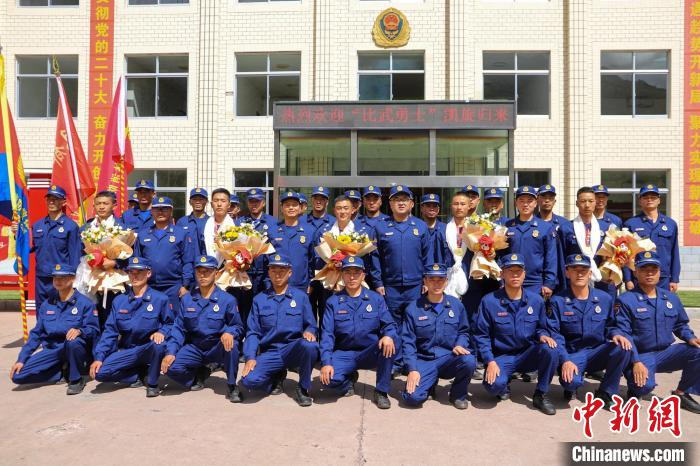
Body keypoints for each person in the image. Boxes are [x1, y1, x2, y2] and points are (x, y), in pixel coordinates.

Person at [611, 251, 700, 413]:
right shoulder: (625, 300)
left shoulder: (670, 298)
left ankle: (681, 393)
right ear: (636, 272)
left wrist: (690, 337)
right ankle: (634, 387)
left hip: (666, 353)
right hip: (640, 355)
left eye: (654, 269)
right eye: (644, 269)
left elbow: (680, 324)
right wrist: (636, 362)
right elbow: (624, 334)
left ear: (660, 272)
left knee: (698, 351)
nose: (649, 273)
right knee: (644, 387)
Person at [474, 254, 559, 415]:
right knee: (493, 386)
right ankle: (503, 383)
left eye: (518, 271)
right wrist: (490, 361)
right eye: (510, 271)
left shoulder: (536, 301)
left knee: (551, 348)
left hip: (527, 354)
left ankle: (541, 394)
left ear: (524, 274)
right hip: (502, 357)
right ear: (502, 274)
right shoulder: (489, 301)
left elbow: (541, 327)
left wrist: (542, 335)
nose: (515, 275)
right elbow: (482, 336)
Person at [547, 254, 631, 409]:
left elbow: (611, 326)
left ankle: (606, 392)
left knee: (623, 347)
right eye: (574, 269)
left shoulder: (604, 299)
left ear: (590, 273)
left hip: (597, 352)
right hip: (572, 355)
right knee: (571, 382)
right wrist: (565, 359)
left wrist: (616, 334)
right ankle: (571, 386)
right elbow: (555, 334)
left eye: (584, 270)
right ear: (567, 273)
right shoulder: (557, 301)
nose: (579, 274)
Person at [161, 255, 245, 403]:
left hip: (218, 346)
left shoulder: (227, 300)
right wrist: (171, 352)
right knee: (170, 367)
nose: (202, 275)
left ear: (216, 274)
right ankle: (198, 375)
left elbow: (237, 325)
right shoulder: (187, 299)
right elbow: (178, 329)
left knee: (232, 345)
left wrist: (229, 332)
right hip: (196, 347)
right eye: (199, 271)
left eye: (207, 271)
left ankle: (232, 385)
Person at [240, 254, 319, 407]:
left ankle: (303, 388)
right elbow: (253, 332)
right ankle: (275, 378)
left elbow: (311, 324)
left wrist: (310, 331)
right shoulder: (259, 300)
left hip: (293, 349)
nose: (278, 275)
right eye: (274, 271)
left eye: (282, 271)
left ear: (289, 273)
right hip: (270, 352)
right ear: (269, 273)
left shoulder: (300, 297)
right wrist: (250, 357)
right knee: (248, 381)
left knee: (310, 346)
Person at [370, 185, 433, 372]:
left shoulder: (420, 226)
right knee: (392, 324)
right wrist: (378, 282)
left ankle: (411, 361)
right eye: (396, 200)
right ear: (390, 204)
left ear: (412, 204)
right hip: (390, 286)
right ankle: (396, 362)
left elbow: (427, 256)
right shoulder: (380, 227)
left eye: (404, 200)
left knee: (415, 323)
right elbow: (375, 258)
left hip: (415, 286)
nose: (401, 203)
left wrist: (427, 280)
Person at [10, 263, 99, 395]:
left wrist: (80, 331)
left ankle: (76, 379)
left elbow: (94, 330)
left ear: (73, 278)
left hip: (75, 349)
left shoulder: (85, 303)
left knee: (73, 342)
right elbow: (36, 334)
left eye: (63, 277)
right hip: (54, 351)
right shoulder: (47, 304)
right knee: (17, 375)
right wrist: (21, 359)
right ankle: (60, 372)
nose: (58, 280)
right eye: (55, 277)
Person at [89, 257, 172, 398]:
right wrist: (99, 357)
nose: (135, 276)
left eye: (139, 272)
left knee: (158, 345)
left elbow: (170, 323)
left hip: (149, 349)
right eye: (131, 272)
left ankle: (152, 383)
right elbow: (110, 331)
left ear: (148, 273)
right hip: (129, 350)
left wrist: (162, 332)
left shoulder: (160, 299)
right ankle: (138, 375)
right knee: (99, 373)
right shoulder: (119, 300)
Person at [320, 256, 396, 409]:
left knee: (391, 343)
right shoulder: (333, 302)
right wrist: (326, 363)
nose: (352, 277)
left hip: (369, 352)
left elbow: (389, 324)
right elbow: (327, 335)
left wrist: (388, 335)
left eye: (356, 273)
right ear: (342, 275)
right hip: (344, 353)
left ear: (363, 275)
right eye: (348, 272)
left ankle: (381, 391)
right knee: (328, 380)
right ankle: (348, 380)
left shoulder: (376, 299)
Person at [402, 264, 476, 409]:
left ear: (446, 281)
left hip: (449, 358)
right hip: (424, 360)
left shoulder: (456, 305)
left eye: (440, 279)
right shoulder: (413, 308)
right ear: (425, 281)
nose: (436, 284)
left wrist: (460, 344)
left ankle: (458, 395)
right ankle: (430, 383)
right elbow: (408, 342)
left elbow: (464, 331)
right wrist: (412, 369)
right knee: (413, 398)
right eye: (432, 279)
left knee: (469, 360)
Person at [311, 195, 376, 324]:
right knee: (328, 316)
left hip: (355, 281)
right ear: (334, 210)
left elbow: (370, 259)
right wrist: (332, 263)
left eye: (346, 208)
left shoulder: (363, 231)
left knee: (354, 317)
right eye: (339, 208)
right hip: (330, 282)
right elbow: (316, 257)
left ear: (353, 210)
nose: (342, 211)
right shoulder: (324, 231)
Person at [133, 196, 194, 310]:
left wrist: (185, 285)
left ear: (171, 211)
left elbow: (188, 261)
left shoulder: (181, 233)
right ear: (151, 211)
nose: (160, 212)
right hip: (149, 286)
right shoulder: (143, 234)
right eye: (157, 209)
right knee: (149, 317)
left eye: (164, 209)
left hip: (173, 287)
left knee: (173, 317)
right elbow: (137, 262)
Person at [29, 185, 81, 309]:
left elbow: (75, 255)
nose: (51, 202)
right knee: (41, 310)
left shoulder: (71, 226)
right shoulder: (37, 225)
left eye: (55, 199)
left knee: (60, 310)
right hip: (42, 278)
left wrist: (73, 278)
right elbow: (29, 247)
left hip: (61, 277)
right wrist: (18, 234)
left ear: (64, 202)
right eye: (49, 199)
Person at [502, 186, 557, 299]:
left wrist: (549, 283)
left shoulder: (545, 227)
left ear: (536, 203)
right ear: (515, 203)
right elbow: (501, 255)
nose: (525, 204)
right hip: (511, 279)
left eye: (529, 201)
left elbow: (551, 257)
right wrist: (501, 279)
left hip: (535, 282)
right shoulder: (507, 227)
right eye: (521, 201)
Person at [80, 190, 125, 329]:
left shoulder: (122, 227)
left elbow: (131, 254)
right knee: (91, 313)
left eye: (105, 203)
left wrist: (115, 262)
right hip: (90, 276)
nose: (101, 207)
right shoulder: (86, 227)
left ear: (114, 206)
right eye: (98, 203)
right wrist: (91, 260)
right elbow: (79, 252)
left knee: (111, 313)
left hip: (113, 278)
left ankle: (110, 340)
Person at [623, 184, 680, 292]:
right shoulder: (631, 224)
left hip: (663, 277)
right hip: (639, 276)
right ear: (640, 201)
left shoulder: (670, 224)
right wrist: (628, 279)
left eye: (653, 197)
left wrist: (674, 279)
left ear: (659, 200)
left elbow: (674, 252)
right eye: (645, 197)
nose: (649, 200)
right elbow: (625, 253)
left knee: (663, 303)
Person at [563, 187, 617, 300]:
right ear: (577, 203)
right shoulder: (566, 228)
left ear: (595, 202)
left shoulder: (607, 228)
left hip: (603, 280)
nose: (587, 205)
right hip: (576, 280)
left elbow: (615, 255)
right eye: (583, 201)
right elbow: (561, 257)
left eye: (591, 201)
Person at [268, 191, 314, 292]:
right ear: (281, 208)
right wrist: (267, 283)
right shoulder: (272, 231)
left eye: (294, 205)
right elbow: (266, 259)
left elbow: (312, 261)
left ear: (300, 208)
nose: (291, 208)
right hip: (277, 284)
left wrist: (311, 282)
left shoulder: (309, 231)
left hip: (301, 285)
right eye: (287, 205)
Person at [537, 184, 572, 294]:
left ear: (555, 201)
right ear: (537, 200)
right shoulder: (532, 223)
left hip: (561, 273)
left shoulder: (564, 224)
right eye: (544, 197)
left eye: (550, 198)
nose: (547, 201)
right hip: (540, 275)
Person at [202, 188, 235, 264]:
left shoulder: (236, 226)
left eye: (223, 201)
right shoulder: (203, 225)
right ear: (211, 204)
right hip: (207, 266)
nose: (219, 204)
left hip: (229, 268)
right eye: (216, 200)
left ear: (229, 205)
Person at [176, 187, 209, 258]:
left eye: (201, 199)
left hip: (207, 262)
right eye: (194, 199)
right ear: (190, 202)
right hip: (187, 262)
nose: (198, 202)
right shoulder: (182, 222)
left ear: (206, 202)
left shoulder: (211, 222)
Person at [420, 193, 450, 267]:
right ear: (422, 208)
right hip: (421, 271)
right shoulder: (416, 229)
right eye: (428, 206)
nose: (432, 208)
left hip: (442, 272)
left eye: (435, 206)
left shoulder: (447, 229)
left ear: (438, 209)